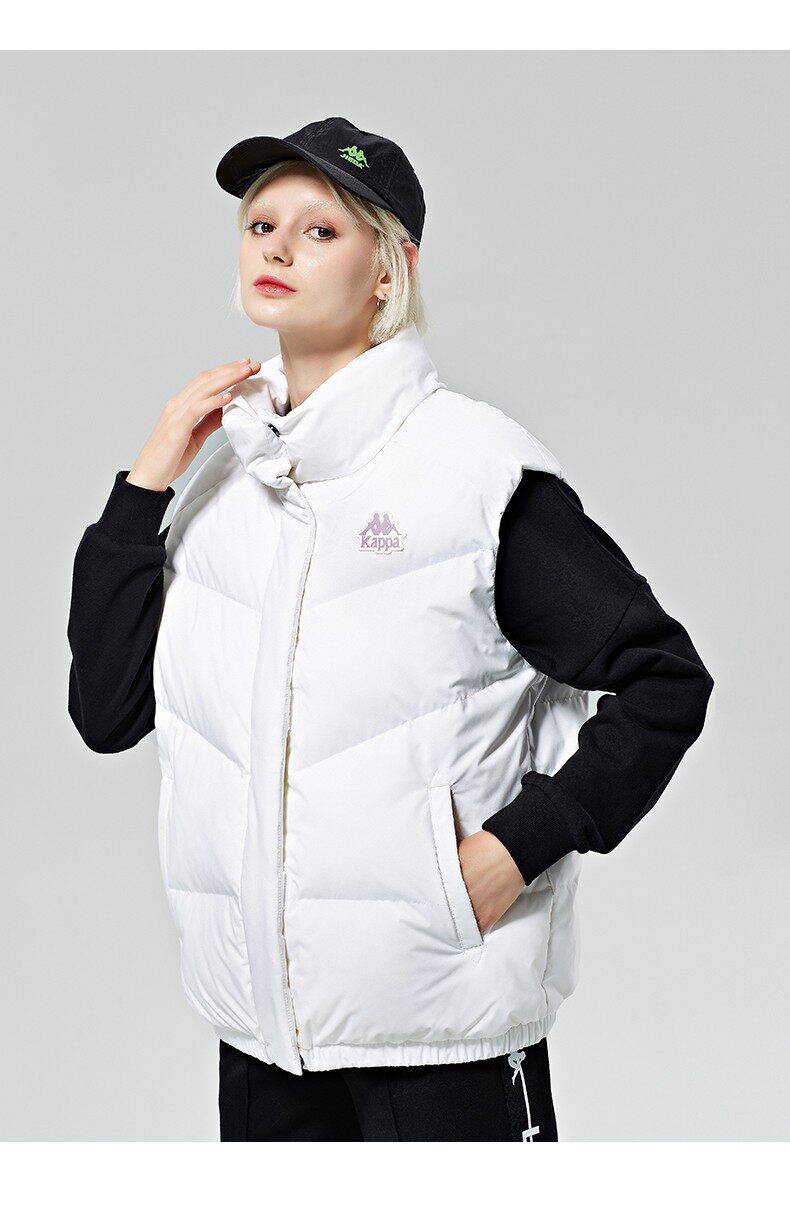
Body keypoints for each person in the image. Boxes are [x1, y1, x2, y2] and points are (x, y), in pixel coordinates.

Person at [67, 117, 714, 1142]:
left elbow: (665, 679)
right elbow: (106, 714)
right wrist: (144, 485)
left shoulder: (472, 472)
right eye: (262, 224)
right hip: (265, 1046)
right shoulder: (220, 482)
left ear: (388, 269)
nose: (278, 247)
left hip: (444, 1040)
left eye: (320, 230)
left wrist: (516, 848)